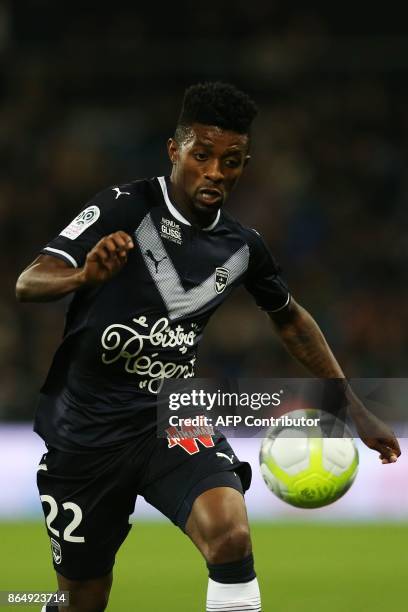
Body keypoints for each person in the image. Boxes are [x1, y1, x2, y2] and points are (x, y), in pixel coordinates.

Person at [16, 81, 400, 612]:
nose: (216, 172)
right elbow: (28, 281)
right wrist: (80, 276)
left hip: (172, 416)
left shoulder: (242, 245)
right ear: (174, 151)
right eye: (202, 155)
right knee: (82, 599)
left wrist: (352, 406)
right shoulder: (123, 207)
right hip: (86, 433)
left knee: (229, 535)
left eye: (232, 160)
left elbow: (291, 319)